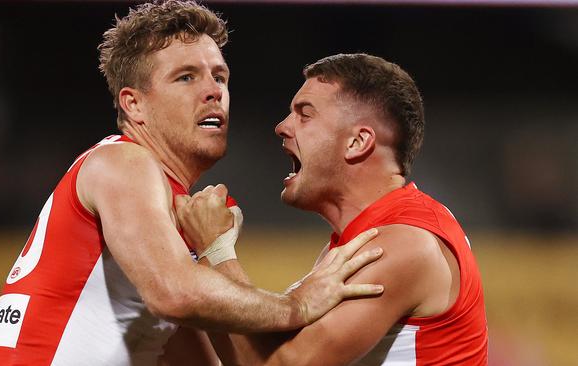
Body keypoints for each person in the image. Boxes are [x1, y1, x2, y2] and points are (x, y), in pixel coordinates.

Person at [0, 3, 385, 365]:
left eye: (220, 77)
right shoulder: (123, 162)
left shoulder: (165, 216)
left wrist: (215, 251)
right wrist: (297, 304)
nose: (213, 91)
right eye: (186, 78)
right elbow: (175, 294)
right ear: (134, 104)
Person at [176, 53, 489, 365]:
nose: (282, 126)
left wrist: (214, 250)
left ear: (357, 142)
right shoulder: (364, 239)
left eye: (305, 114)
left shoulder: (405, 243)